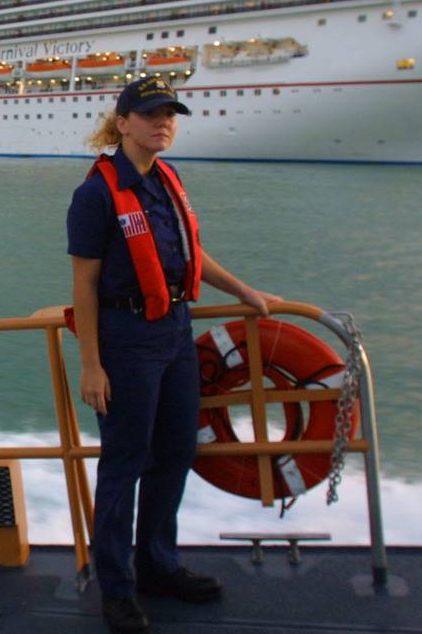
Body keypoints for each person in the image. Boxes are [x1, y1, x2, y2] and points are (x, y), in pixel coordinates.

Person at [66, 76, 278, 634]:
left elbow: (190, 254)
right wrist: (91, 364)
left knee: (176, 452)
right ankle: (116, 588)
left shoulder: (168, 179)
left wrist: (245, 292)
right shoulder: (95, 196)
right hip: (126, 340)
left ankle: (157, 564)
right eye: (152, 114)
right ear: (123, 123)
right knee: (124, 463)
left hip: (175, 334)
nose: (164, 123)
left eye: (171, 114)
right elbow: (83, 285)